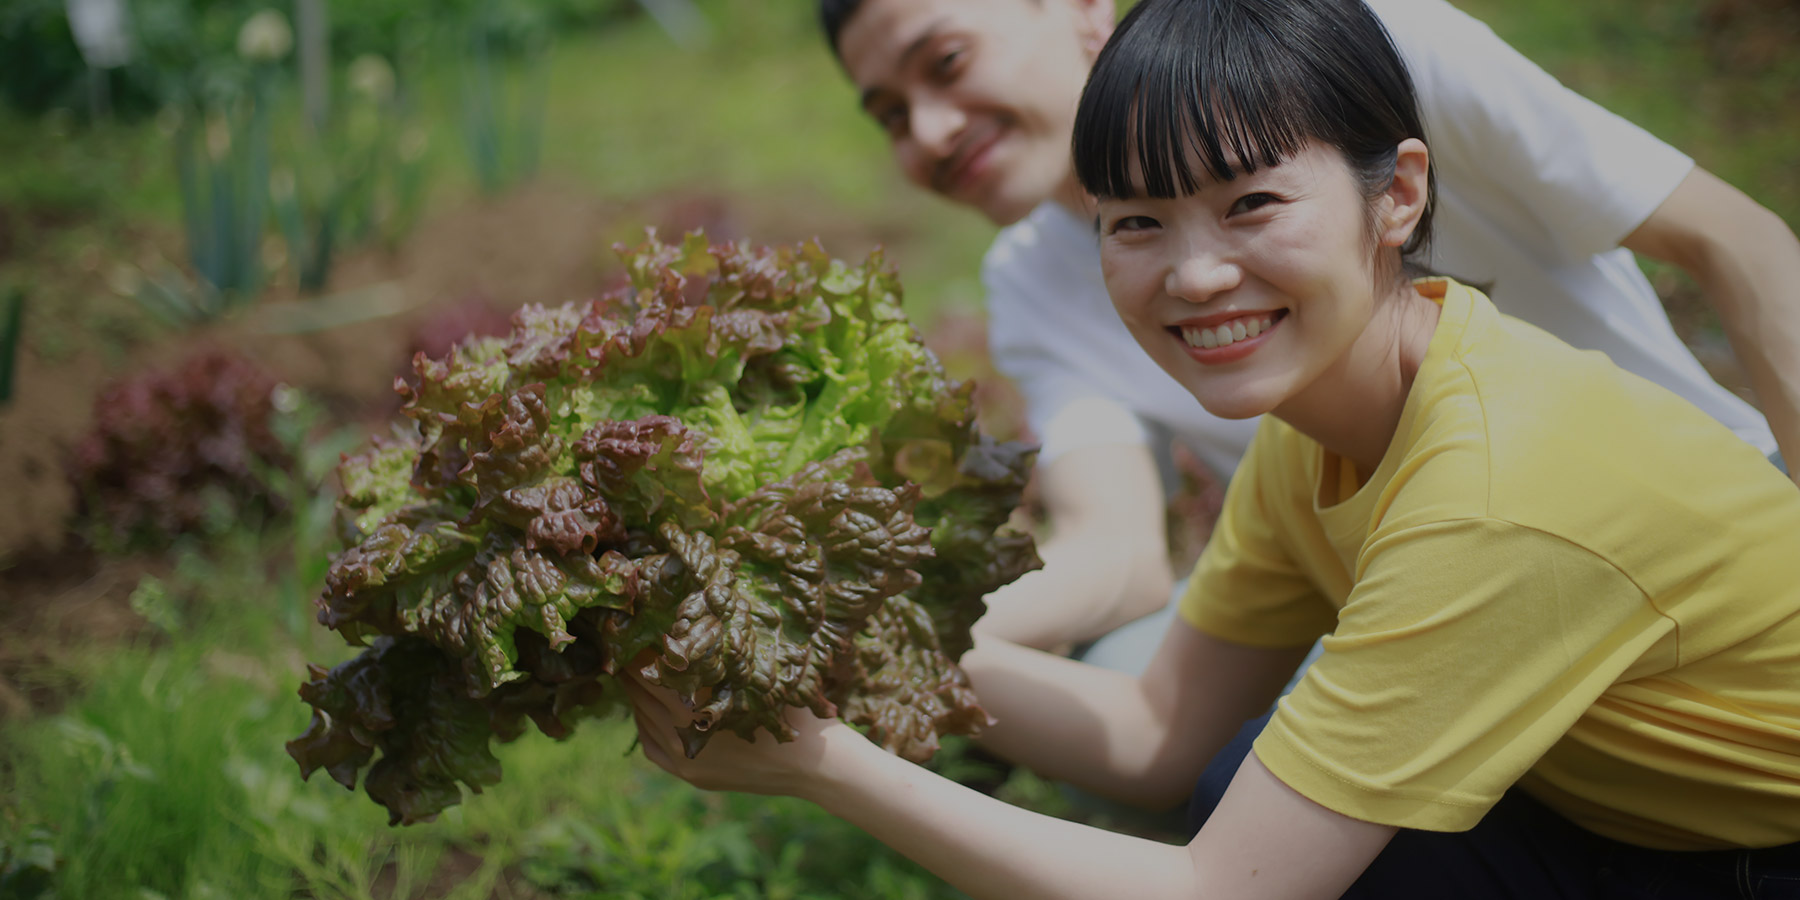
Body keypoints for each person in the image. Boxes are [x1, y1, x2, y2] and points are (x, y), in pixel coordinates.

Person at [625, 0, 1800, 895]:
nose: (1194, 276)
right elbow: (1155, 730)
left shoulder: (1491, 490)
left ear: (1398, 196)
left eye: (1252, 206)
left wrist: (823, 762)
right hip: (1604, 794)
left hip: (1753, 851)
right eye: (1137, 223)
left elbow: (1227, 891)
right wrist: (830, 643)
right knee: (1243, 775)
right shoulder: (1323, 421)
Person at [819, 0, 1800, 661]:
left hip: (1700, 539)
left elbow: (1737, 240)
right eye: (891, 116)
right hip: (1420, 613)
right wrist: (895, 634)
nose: (931, 132)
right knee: (1128, 671)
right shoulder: (1031, 280)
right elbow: (1114, 551)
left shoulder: (1361, 52)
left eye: (946, 64)